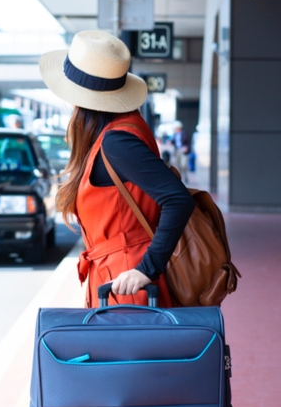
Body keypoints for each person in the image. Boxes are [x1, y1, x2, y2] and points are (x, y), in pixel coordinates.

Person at [38, 30, 195, 308]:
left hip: (126, 283)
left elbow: (178, 199)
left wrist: (147, 268)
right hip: (121, 277)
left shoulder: (116, 142)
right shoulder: (124, 129)